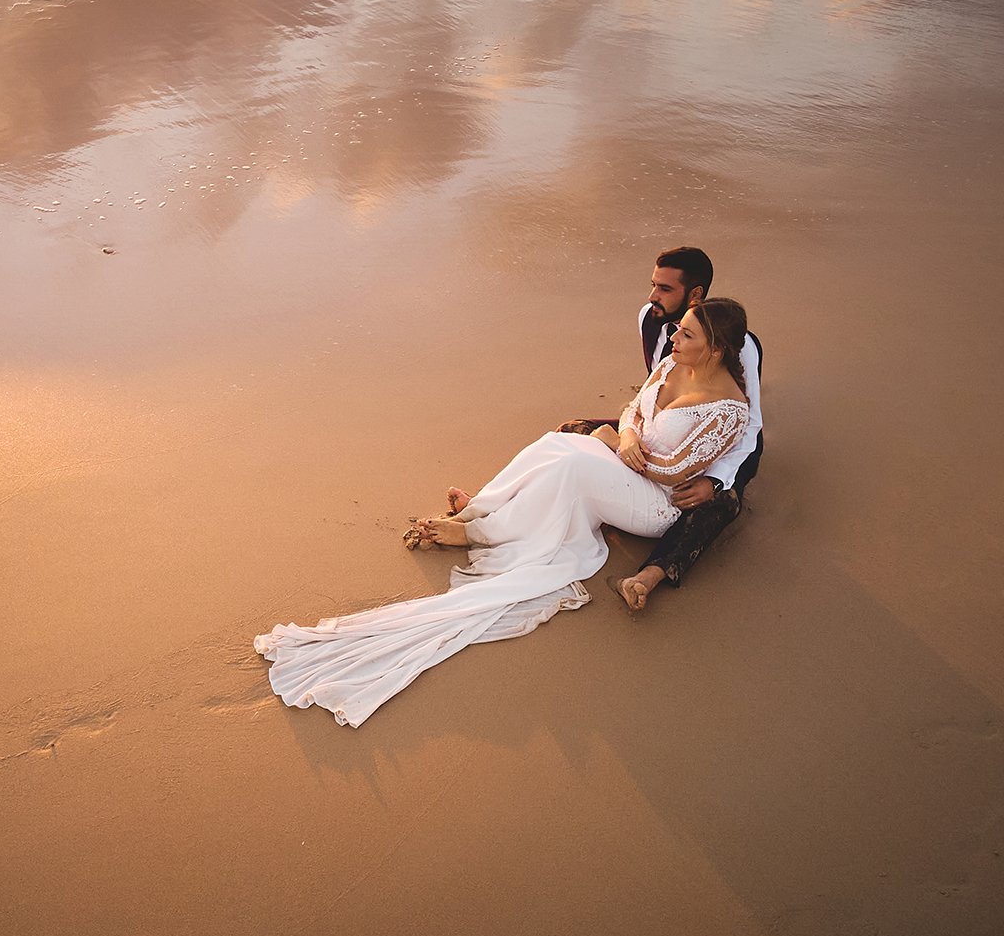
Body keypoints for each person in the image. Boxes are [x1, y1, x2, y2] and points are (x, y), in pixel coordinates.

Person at [254, 299, 752, 727]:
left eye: (687, 334)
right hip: (627, 461)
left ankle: (483, 533)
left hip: (655, 503)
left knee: (576, 461)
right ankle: (481, 512)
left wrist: (624, 449)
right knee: (557, 444)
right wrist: (622, 435)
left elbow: (675, 470)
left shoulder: (730, 410)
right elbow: (632, 411)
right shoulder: (670, 366)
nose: (675, 338)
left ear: (714, 349)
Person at [551, 248, 763, 610]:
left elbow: (751, 424)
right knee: (572, 428)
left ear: (694, 294)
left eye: (664, 289)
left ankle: (651, 574)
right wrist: (629, 435)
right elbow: (651, 385)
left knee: (720, 503)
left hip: (713, 439)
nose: (652, 297)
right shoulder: (648, 318)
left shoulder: (739, 345)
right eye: (653, 285)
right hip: (658, 426)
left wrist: (715, 480)